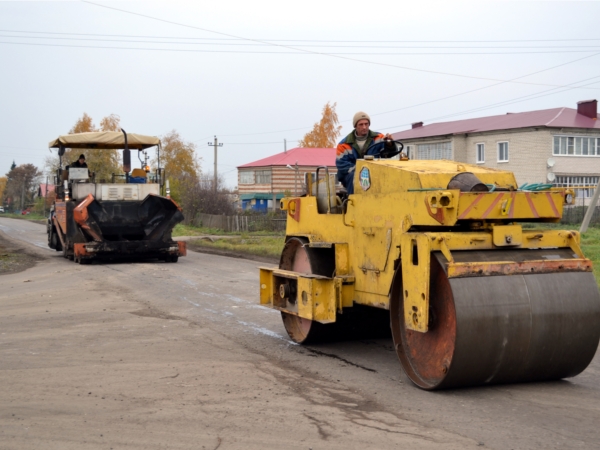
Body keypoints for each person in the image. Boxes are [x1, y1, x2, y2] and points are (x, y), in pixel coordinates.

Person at [336, 112, 395, 194]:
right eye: (361, 124)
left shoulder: (379, 138)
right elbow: (341, 164)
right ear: (355, 126)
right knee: (355, 177)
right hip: (352, 175)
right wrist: (361, 171)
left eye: (366, 124)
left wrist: (390, 145)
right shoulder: (344, 144)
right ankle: (355, 203)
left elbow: (388, 154)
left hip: (375, 173)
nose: (364, 127)